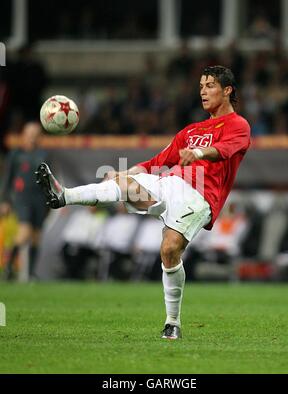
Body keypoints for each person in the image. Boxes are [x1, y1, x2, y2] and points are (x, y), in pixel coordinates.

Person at [35, 65, 251, 339]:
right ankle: (63, 195)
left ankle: (172, 322)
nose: (203, 92)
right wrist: (125, 173)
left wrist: (197, 153)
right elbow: (155, 163)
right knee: (122, 183)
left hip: (200, 196)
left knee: (169, 250)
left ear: (227, 90)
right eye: (200, 87)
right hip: (168, 185)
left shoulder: (238, 125)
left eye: (209, 86)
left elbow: (224, 150)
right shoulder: (190, 130)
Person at [0, 122, 49, 280]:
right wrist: (5, 200)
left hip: (40, 199)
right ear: (24, 135)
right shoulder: (16, 155)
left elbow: (49, 180)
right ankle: (8, 266)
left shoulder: (44, 155)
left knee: (36, 236)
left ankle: (31, 273)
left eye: (36, 134)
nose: (33, 138)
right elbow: (7, 178)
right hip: (22, 198)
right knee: (24, 233)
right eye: (30, 134)